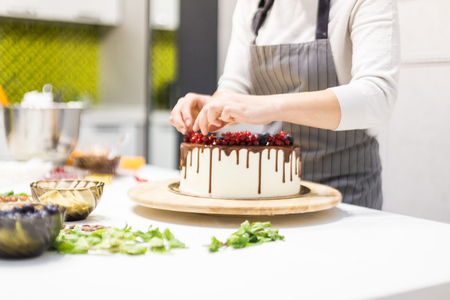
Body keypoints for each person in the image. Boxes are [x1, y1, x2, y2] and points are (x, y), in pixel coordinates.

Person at [170, 0, 400, 209]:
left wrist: (269, 106)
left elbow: (377, 97)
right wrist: (214, 107)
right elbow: (236, 87)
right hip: (270, 191)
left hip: (348, 192)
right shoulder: (251, 5)